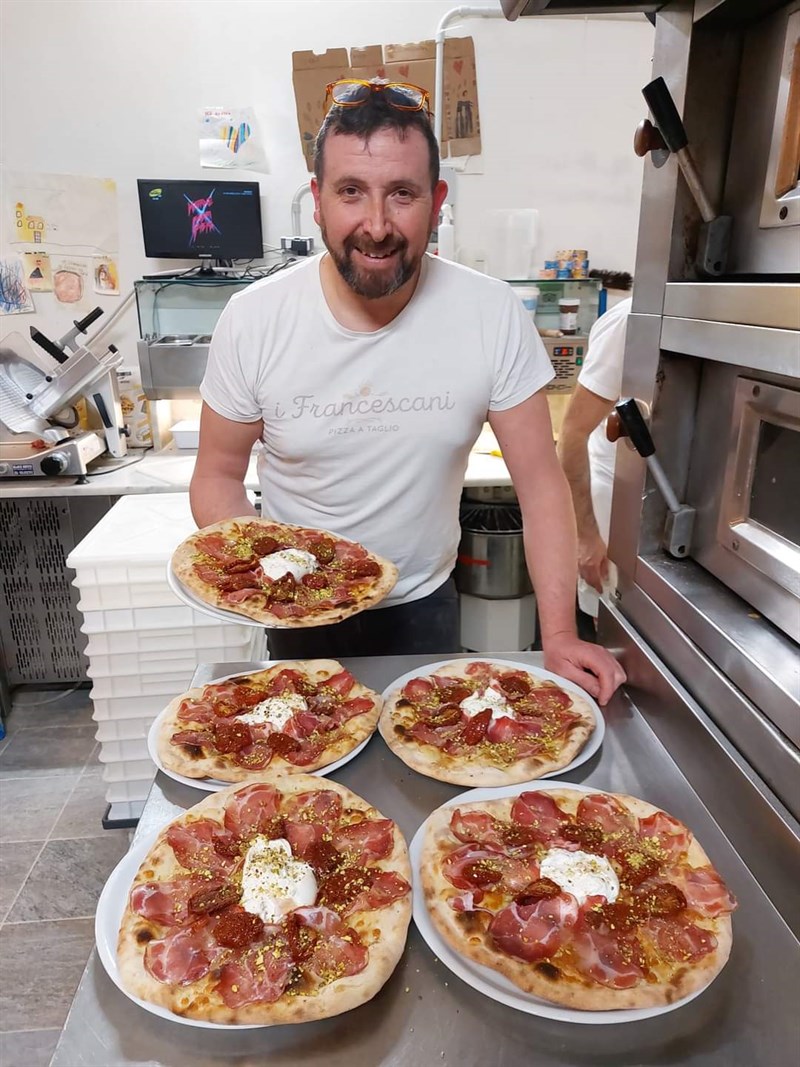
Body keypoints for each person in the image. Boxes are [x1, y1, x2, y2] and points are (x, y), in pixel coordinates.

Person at [190, 79, 625, 704]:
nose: (375, 226)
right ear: (316, 201)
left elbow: (540, 483)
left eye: (401, 194)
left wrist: (558, 633)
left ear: (435, 200)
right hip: (299, 616)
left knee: (426, 775)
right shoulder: (253, 318)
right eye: (350, 192)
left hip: (424, 602)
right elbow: (217, 475)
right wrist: (269, 578)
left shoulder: (490, 312)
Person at [557, 294, 633, 620]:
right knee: (610, 627)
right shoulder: (629, 321)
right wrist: (586, 537)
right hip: (611, 502)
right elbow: (573, 433)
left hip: (662, 504)